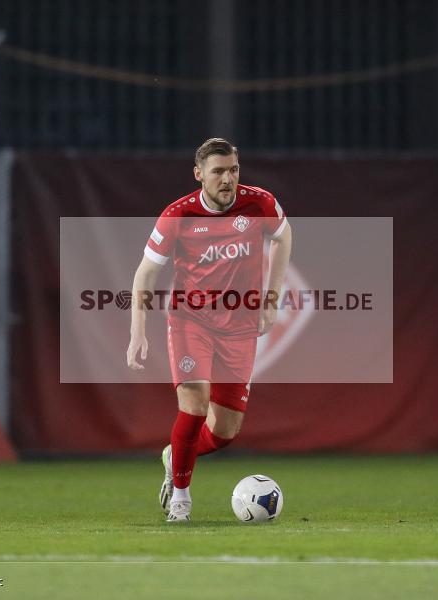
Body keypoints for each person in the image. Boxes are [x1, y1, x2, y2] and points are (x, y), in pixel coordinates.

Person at [126, 138, 292, 522]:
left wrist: (272, 298)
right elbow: (145, 273)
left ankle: (174, 455)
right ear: (199, 174)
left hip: (238, 327)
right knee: (195, 404)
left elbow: (283, 236)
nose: (228, 178)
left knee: (225, 431)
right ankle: (181, 498)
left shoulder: (260, 203)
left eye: (233, 169)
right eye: (218, 171)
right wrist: (138, 332)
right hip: (191, 321)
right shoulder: (177, 216)